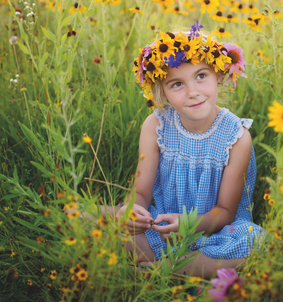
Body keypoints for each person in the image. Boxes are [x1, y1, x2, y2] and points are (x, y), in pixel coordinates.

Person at [99, 22, 264, 279]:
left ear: (218, 75)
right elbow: (141, 191)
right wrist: (132, 211)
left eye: (201, 76)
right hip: (163, 223)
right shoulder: (156, 125)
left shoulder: (237, 136)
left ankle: (155, 271)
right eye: (176, 84)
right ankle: (175, 268)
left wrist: (189, 225)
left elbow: (225, 213)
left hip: (215, 229)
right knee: (78, 215)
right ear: (161, 92)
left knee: (257, 246)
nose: (192, 93)